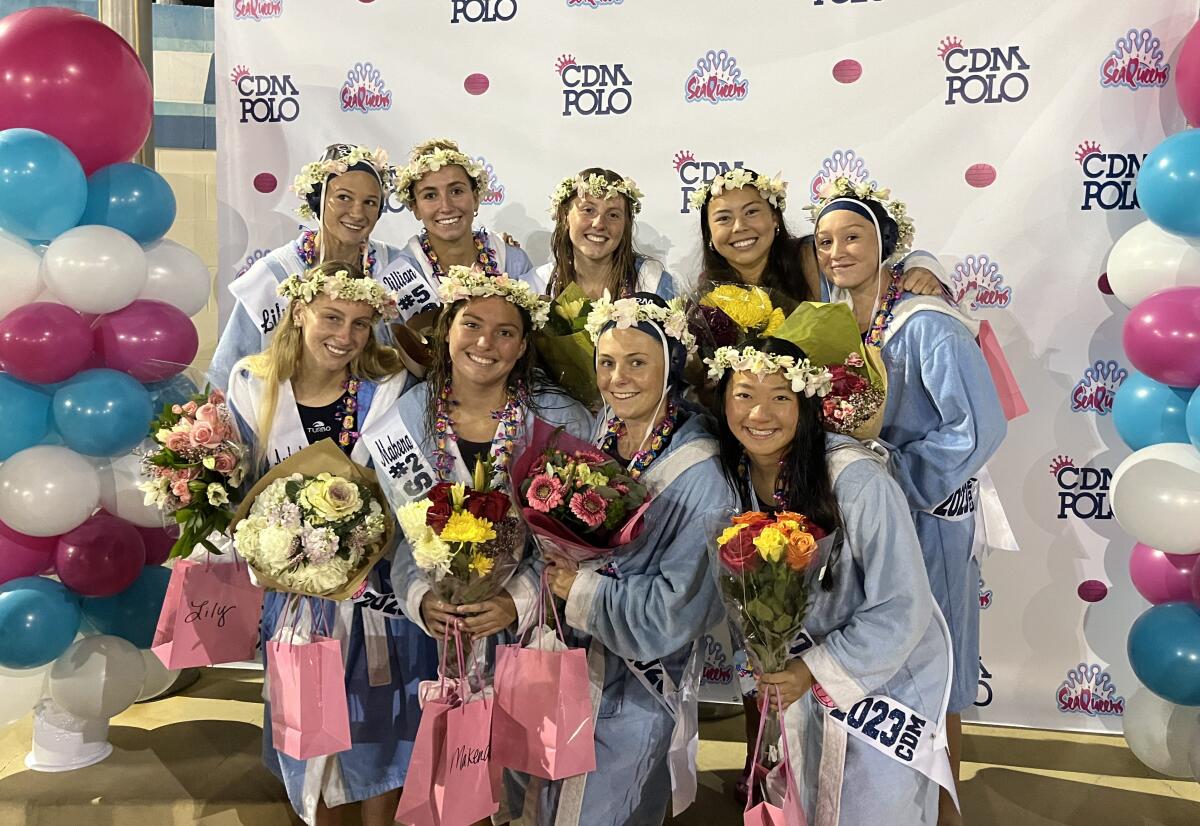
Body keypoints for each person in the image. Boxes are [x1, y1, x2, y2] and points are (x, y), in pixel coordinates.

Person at [499, 293, 737, 824]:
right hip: (564, 661)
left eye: (637, 362)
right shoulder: (596, 431)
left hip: (636, 684)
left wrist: (581, 590)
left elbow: (681, 607)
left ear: (669, 367)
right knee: (543, 800)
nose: (618, 378)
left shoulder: (703, 478)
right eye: (607, 362)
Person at [813, 181, 1006, 826]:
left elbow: (978, 427)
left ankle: (947, 806)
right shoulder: (837, 322)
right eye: (825, 241)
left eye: (852, 237)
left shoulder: (928, 325)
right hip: (869, 513)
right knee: (885, 642)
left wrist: (897, 471)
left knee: (940, 652)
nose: (837, 251)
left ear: (884, 244)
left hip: (929, 513)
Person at [707, 335, 955, 825]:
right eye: (744, 395)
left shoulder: (857, 481)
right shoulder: (729, 477)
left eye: (780, 396)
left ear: (806, 402)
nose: (760, 413)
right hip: (798, 682)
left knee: (870, 808)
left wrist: (814, 670)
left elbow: (902, 604)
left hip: (882, 683)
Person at [226, 260, 437, 826]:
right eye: (332, 317)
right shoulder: (252, 384)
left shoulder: (390, 388)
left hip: (380, 604)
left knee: (382, 737)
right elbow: (236, 490)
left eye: (362, 323)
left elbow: (408, 492)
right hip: (295, 603)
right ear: (299, 311)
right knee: (308, 741)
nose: (345, 336)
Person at [382, 266, 592, 659]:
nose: (485, 343)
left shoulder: (561, 418)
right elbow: (399, 539)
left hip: (537, 634)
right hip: (437, 640)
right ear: (447, 331)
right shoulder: (405, 418)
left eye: (505, 333)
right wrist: (423, 599)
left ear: (524, 346)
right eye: (472, 324)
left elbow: (577, 539)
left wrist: (518, 598)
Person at [210, 143, 409, 390]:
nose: (358, 213)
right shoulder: (274, 275)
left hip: (377, 418)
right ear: (318, 199)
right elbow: (226, 374)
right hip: (287, 420)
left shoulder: (396, 266)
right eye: (344, 197)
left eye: (370, 202)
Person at [689, 167, 945, 301]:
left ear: (774, 218)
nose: (739, 227)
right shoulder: (708, 297)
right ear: (709, 235)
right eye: (724, 218)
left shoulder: (817, 254)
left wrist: (921, 266)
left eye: (752, 212)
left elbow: (883, 266)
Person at [393, 138, 535, 285]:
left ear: (475, 198)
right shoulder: (401, 277)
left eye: (456, 191)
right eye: (430, 196)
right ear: (415, 207)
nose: (446, 207)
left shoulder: (512, 261)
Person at [530, 168, 677, 299]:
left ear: (626, 224)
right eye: (588, 210)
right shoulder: (536, 284)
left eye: (613, 215)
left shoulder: (653, 283)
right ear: (564, 216)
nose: (599, 224)